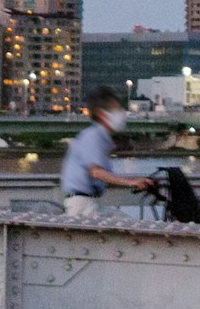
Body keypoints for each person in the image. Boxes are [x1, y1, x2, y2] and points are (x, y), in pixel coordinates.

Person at [60, 86, 157, 220]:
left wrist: (136, 180)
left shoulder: (99, 137)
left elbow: (101, 177)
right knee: (125, 226)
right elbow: (96, 172)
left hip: (86, 203)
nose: (122, 114)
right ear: (102, 114)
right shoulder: (93, 136)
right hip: (82, 205)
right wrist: (130, 182)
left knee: (122, 223)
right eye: (116, 109)